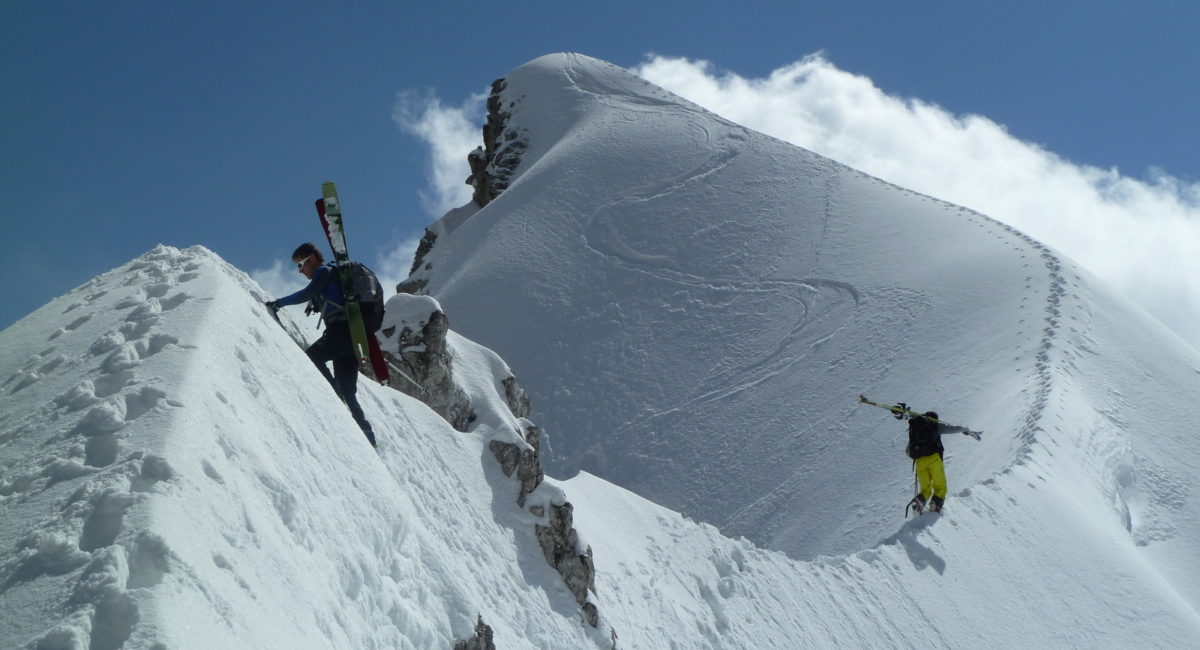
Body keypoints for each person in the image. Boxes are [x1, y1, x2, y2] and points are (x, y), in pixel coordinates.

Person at [265, 243, 376, 447]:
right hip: (353, 337)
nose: (300, 271)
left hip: (340, 333)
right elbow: (319, 295)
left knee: (312, 359)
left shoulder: (324, 271)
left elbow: (306, 293)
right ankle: (368, 436)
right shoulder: (332, 275)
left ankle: (335, 393)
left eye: (301, 265)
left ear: (313, 259)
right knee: (349, 393)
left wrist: (278, 303)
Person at [901, 410, 969, 514]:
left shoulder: (916, 429)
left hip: (919, 462)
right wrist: (964, 428)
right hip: (934, 459)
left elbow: (908, 452)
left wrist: (920, 454)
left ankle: (919, 502)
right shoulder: (935, 425)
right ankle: (935, 505)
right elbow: (953, 428)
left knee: (925, 489)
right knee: (940, 486)